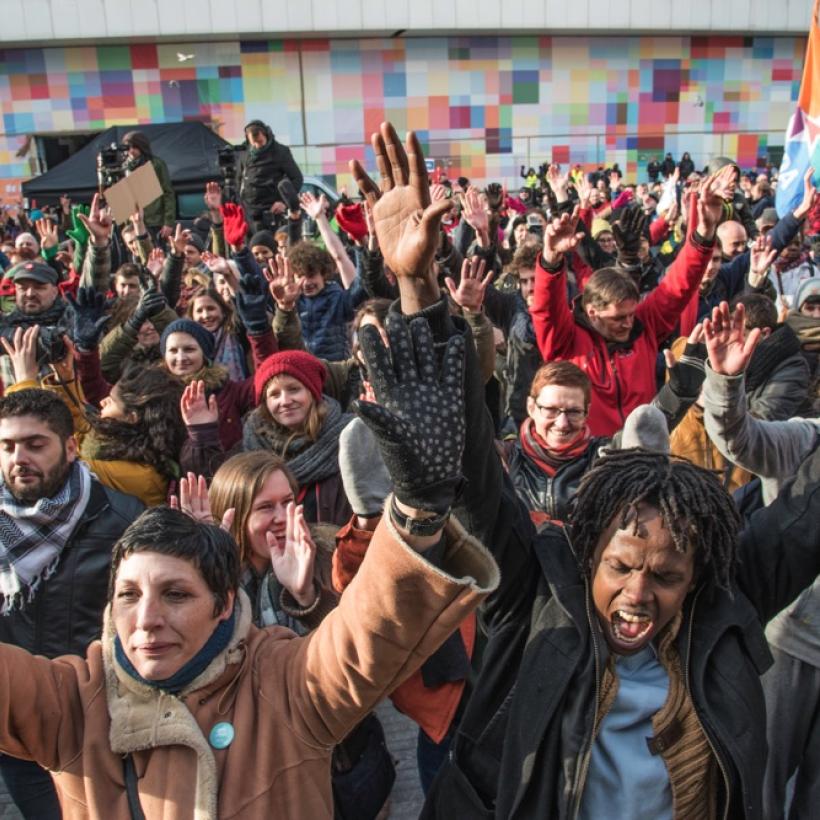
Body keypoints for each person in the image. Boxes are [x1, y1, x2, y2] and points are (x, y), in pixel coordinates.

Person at [0, 304, 498, 817]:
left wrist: (413, 513)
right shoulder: (77, 701)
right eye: (128, 594)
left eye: (176, 594)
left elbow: (373, 630)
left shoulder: (282, 680)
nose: (146, 618)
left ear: (222, 604)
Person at [0, 388, 143, 819]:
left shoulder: (120, 519)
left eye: (35, 444)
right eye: (7, 446)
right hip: (17, 725)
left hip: (93, 724)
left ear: (71, 447)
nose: (19, 458)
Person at [528, 165, 734, 436]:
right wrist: (550, 258)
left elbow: (679, 286)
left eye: (630, 314)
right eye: (618, 318)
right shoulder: (567, 342)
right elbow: (546, 310)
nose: (628, 323)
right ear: (592, 313)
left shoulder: (643, 326)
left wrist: (704, 232)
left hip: (642, 455)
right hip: (588, 461)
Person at [2, 322, 185, 507]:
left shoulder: (142, 477)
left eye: (112, 400)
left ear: (132, 416)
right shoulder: (124, 446)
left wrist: (25, 382)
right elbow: (82, 431)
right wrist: (64, 379)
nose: (102, 401)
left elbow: (62, 467)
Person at [243, 350, 354, 525]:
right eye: (274, 394)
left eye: (294, 389)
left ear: (312, 392)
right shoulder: (252, 445)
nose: (285, 401)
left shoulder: (349, 436)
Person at [239, 120, 304, 234]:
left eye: (260, 142)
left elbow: (297, 178)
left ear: (266, 135)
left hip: (272, 214)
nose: (257, 146)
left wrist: (283, 202)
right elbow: (238, 181)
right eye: (253, 143)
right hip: (249, 215)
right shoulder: (244, 154)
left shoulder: (280, 152)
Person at [121, 131, 176, 239]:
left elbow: (168, 193)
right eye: (128, 148)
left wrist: (168, 222)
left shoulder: (156, 164)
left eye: (135, 147)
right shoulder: (123, 167)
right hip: (132, 223)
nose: (131, 151)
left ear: (142, 147)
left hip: (155, 223)